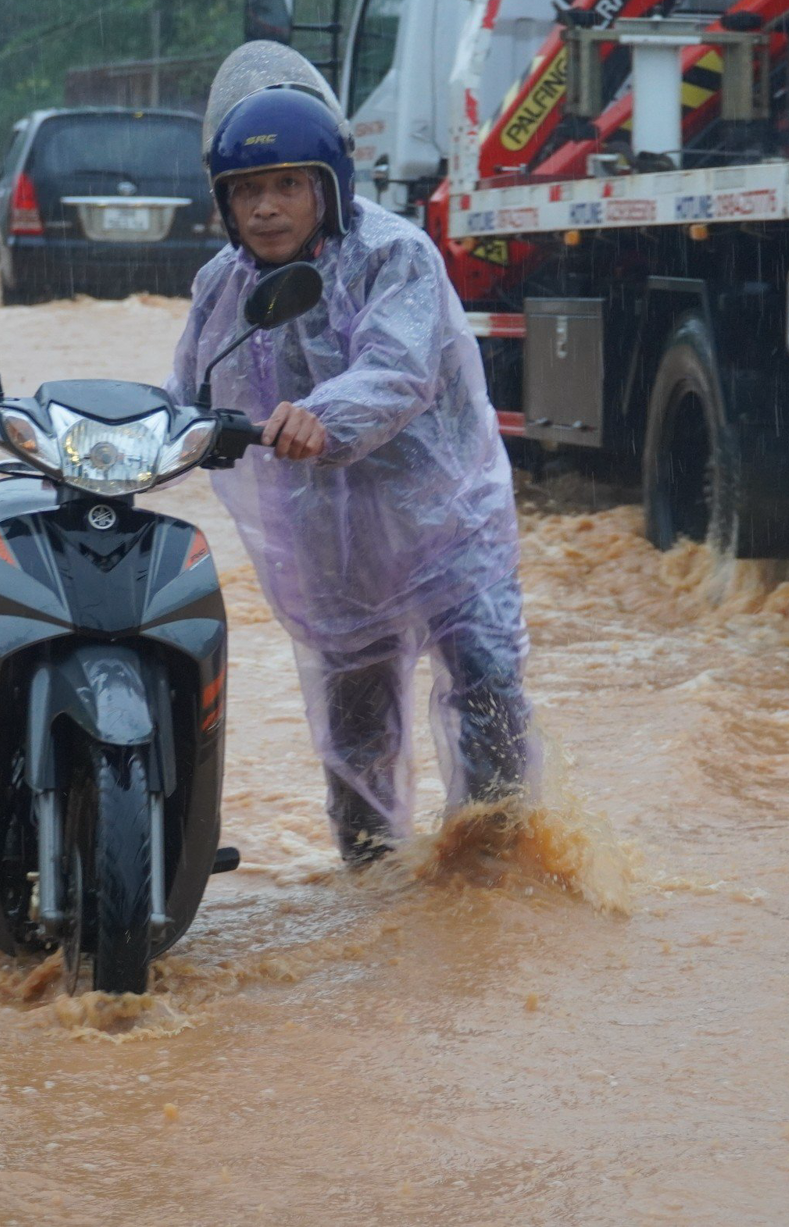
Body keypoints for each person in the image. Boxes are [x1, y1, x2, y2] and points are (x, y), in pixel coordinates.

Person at [166, 55, 537, 865]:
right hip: (330, 539)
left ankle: (501, 878)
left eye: (286, 186)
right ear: (224, 201)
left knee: (486, 685)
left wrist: (322, 417)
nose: (266, 208)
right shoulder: (222, 284)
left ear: (327, 187)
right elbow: (185, 397)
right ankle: (371, 890)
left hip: (445, 520)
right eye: (246, 190)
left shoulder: (393, 255)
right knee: (356, 726)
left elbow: (398, 369)